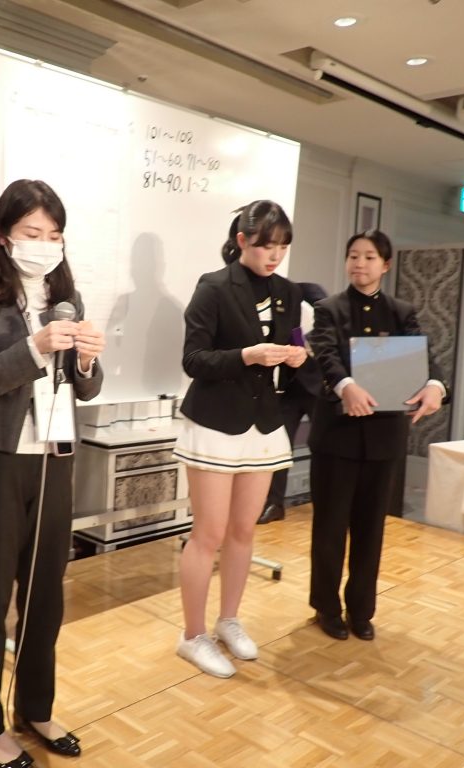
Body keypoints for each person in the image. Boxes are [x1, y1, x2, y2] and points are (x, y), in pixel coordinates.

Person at [0, 179, 104, 768]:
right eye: (32, 232)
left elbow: (86, 388)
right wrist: (34, 348)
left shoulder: (68, 297)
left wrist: (86, 359)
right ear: (3, 237)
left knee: (45, 599)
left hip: (54, 459)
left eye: (54, 235)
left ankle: (36, 708)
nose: (45, 244)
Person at [172, 200, 308, 678]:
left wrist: (297, 357)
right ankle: (192, 635)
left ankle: (228, 620)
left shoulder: (289, 292)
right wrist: (247, 355)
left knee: (244, 531)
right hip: (215, 422)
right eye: (268, 245)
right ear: (242, 240)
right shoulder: (213, 286)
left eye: (283, 246)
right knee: (207, 534)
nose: (275, 255)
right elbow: (193, 359)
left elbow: (294, 345)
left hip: (263, 424)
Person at [307, 230, 445, 642]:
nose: (359, 263)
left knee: (371, 529)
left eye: (369, 257)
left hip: (384, 438)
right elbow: (325, 354)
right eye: (353, 255)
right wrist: (345, 385)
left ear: (385, 265)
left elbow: (424, 357)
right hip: (337, 437)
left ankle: (361, 609)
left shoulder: (402, 311)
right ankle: (326, 606)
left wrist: (436, 385)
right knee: (330, 527)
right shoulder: (329, 308)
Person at [258, 281, 327, 524]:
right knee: (278, 448)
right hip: (288, 389)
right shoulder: (277, 310)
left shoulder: (311, 302)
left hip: (319, 388)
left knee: (324, 449)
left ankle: (327, 506)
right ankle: (274, 504)